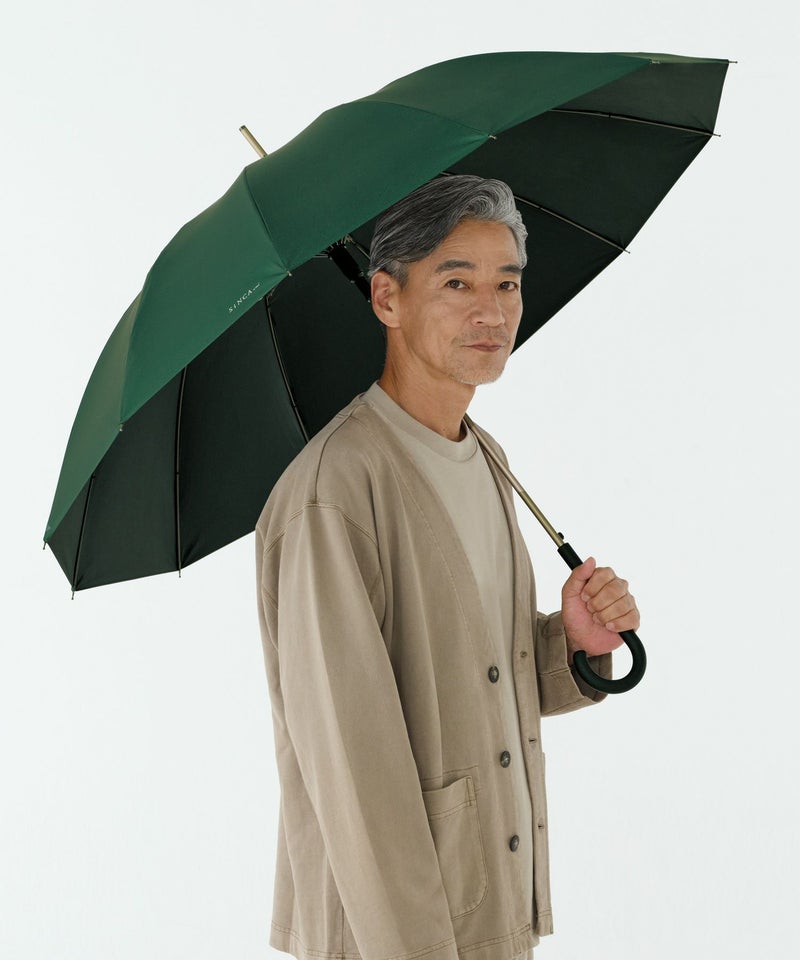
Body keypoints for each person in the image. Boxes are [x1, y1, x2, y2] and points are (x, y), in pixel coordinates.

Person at [254, 175, 640, 960]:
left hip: (489, 914)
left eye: (508, 284)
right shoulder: (335, 493)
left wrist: (570, 644)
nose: (491, 312)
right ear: (386, 297)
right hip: (396, 936)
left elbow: (473, 679)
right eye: (457, 283)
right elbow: (352, 766)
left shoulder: (484, 456)